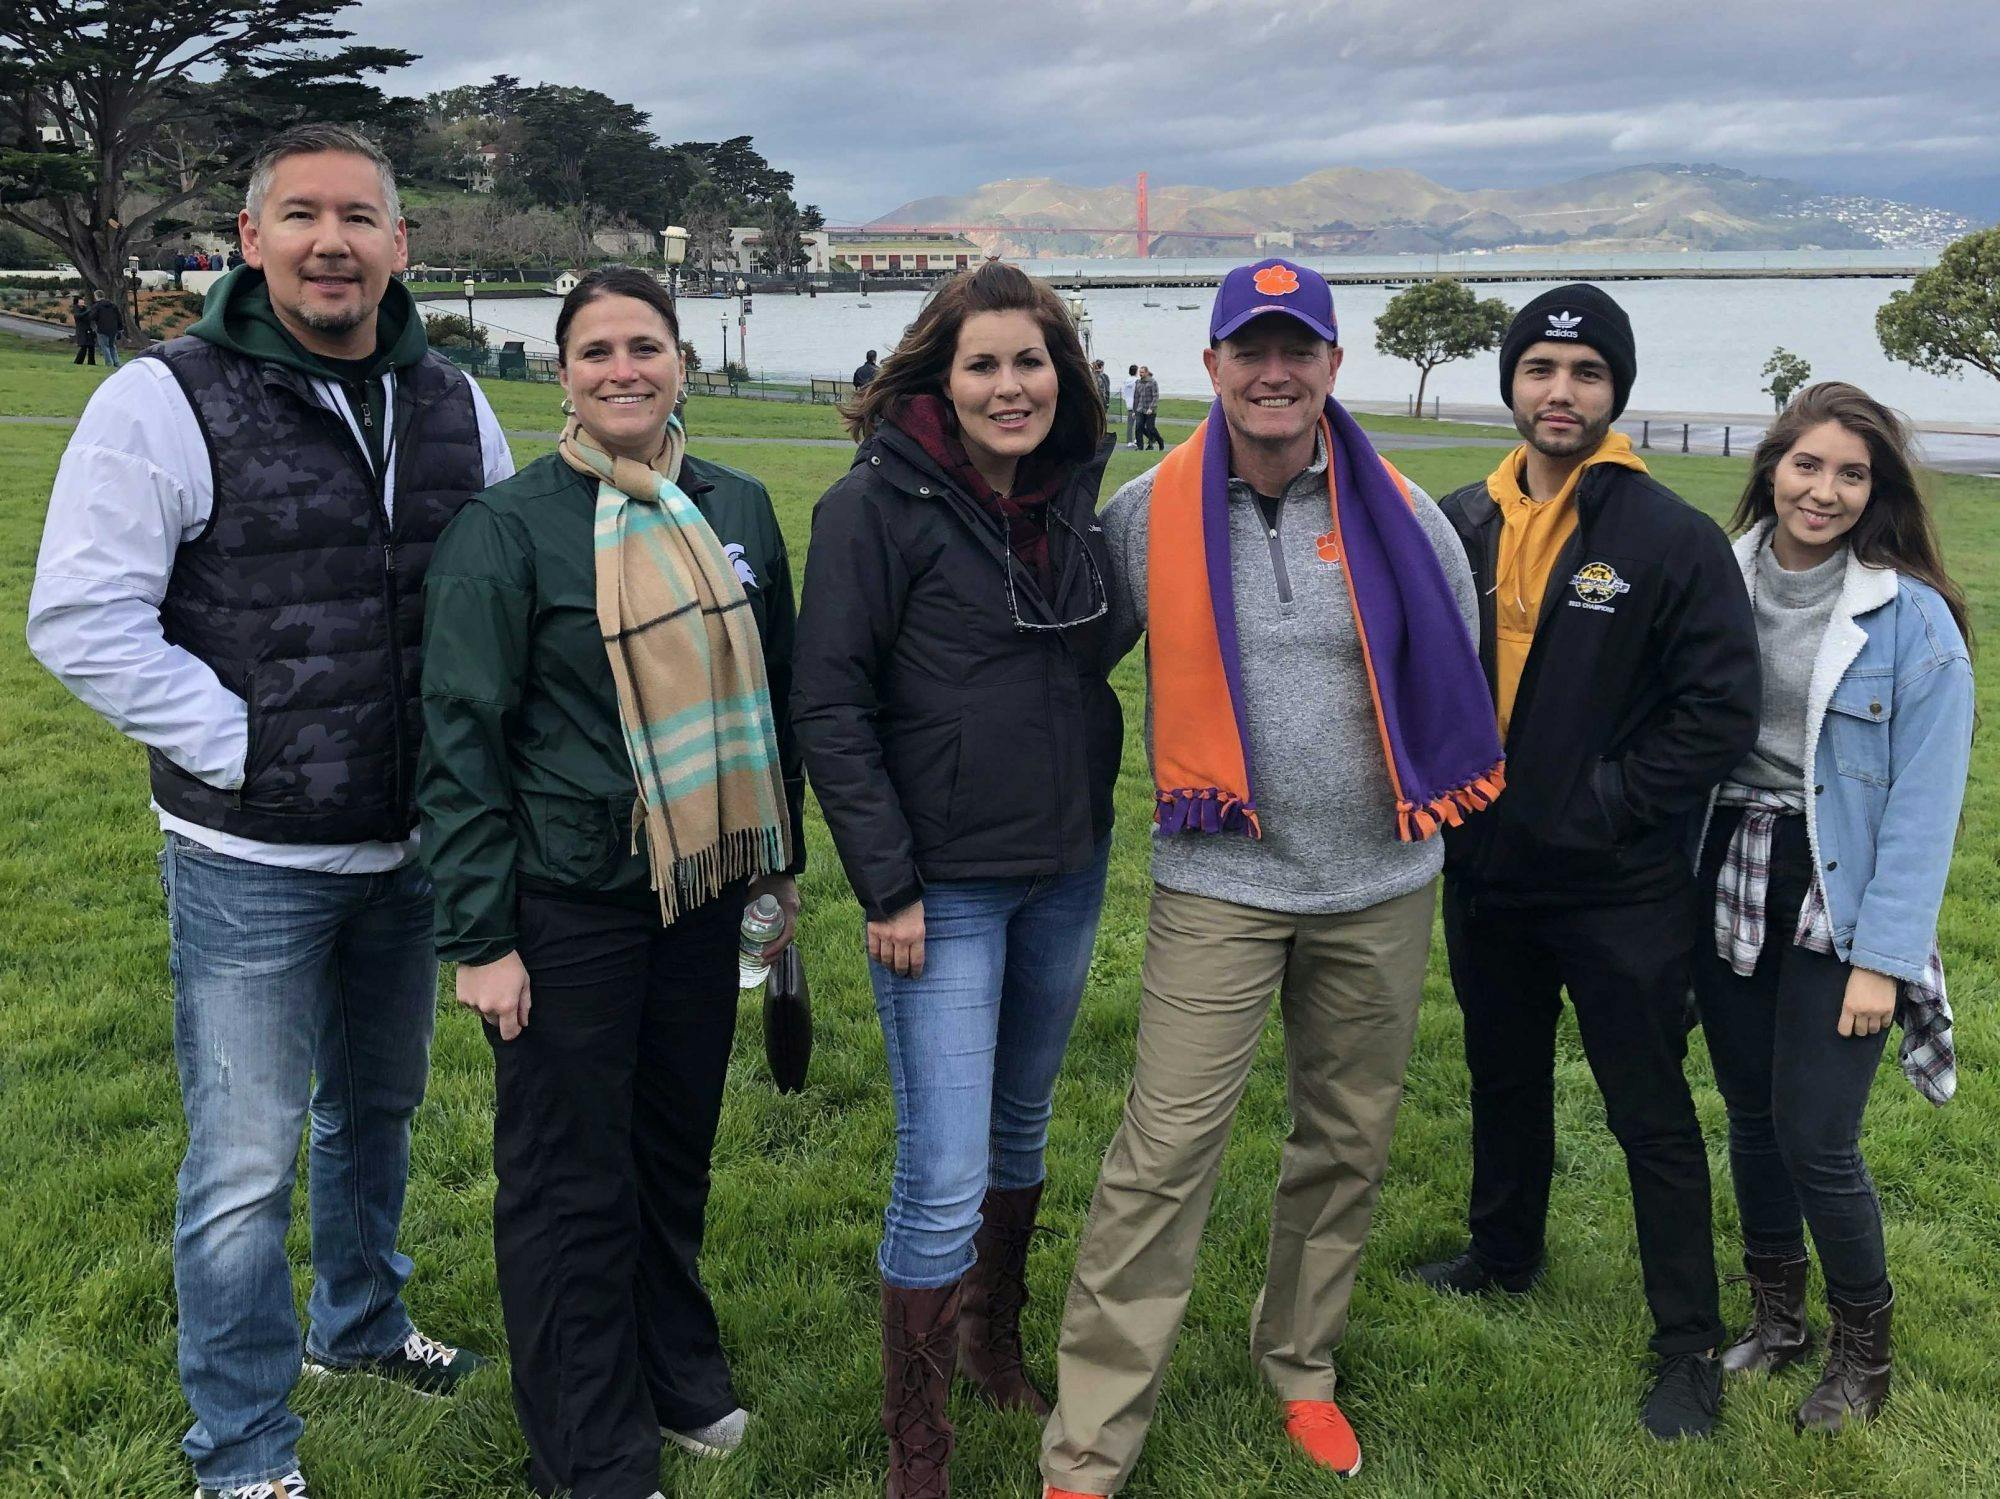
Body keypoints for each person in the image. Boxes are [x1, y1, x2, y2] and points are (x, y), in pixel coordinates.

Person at [26, 122, 512, 1499]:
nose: (331, 240)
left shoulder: (451, 398)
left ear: (401, 244)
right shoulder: (162, 398)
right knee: (244, 1159)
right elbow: (80, 616)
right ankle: (240, 1450)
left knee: (380, 1106)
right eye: (300, 213)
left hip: (412, 841)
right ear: (250, 238)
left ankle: (357, 1325)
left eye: (360, 215)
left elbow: (491, 596)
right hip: (249, 854)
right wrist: (246, 743)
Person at [1040, 259, 1497, 1498]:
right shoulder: (1144, 513)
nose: (1274, 371)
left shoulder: (1403, 513)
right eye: (1251, 349)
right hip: (1219, 884)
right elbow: (1070, 673)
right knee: (1164, 1150)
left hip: (1380, 882)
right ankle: (1087, 1442)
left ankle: (1299, 1363)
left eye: (1299, 349)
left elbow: (1457, 684)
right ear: (1211, 368)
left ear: (1333, 369)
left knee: (1344, 1139)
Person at [420, 265, 805, 1499]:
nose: (622, 368)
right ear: (563, 371)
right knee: (566, 1176)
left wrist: (774, 873)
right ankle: (585, 1445)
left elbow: (774, 706)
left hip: (701, 890)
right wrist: (482, 937)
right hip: (565, 899)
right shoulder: (510, 527)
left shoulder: (734, 501)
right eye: (596, 350)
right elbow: (461, 740)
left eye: (644, 344)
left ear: (681, 358)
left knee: (670, 1145)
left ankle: (674, 1367)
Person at [793, 259, 1118, 1499]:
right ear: (938, 373)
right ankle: (914, 1446)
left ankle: (989, 1335)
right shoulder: (872, 507)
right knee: (939, 1165)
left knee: (1021, 1125)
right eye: (981, 363)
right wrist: (885, 885)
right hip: (940, 889)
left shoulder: (1070, 496)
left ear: (1060, 373)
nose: (1008, 385)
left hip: (1063, 868)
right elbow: (828, 702)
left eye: (1028, 361)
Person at [1415, 285, 1759, 1440]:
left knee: (1648, 1112)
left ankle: (1686, 1346)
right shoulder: (1457, 519)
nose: (1558, 393)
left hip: (1617, 884)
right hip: (1487, 874)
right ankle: (1502, 1253)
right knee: (1501, 1075)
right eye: (1539, 371)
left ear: (1614, 392)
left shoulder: (1667, 537)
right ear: (1511, 384)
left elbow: (1716, 712)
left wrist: (1603, 800)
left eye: (1584, 375)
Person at [1694, 382, 1972, 1434]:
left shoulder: (1912, 621)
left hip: (1836, 887)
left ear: (1875, 488)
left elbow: (1922, 806)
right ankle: (1777, 1318)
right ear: (1770, 465)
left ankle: (1865, 1354)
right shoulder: (1710, 578)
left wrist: (1881, 957)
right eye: (1805, 464)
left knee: (1816, 1133)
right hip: (1724, 870)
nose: (1823, 490)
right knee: (1753, 1120)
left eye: (1849, 473)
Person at [1132, 365, 1163, 450]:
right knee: (1138, 427)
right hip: (1140, 409)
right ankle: (1140, 447)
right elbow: (1136, 397)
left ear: (1146, 373)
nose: (1140, 374)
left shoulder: (1152, 382)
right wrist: (1134, 411)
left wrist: (1151, 408)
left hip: (1150, 410)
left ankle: (1160, 441)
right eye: (1140, 372)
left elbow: (1155, 396)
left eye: (1142, 372)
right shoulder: (1138, 382)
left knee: (1151, 428)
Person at [89, 291, 123, 367]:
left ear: (96, 296)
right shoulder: (113, 305)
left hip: (102, 328)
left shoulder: (97, 306)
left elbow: (92, 317)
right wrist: (120, 328)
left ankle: (109, 363)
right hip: (113, 329)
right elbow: (119, 317)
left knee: (105, 346)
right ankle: (116, 362)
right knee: (112, 345)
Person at [70, 294, 95, 365]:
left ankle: (91, 362)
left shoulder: (85, 308)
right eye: (81, 300)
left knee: (91, 346)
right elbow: (78, 316)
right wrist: (88, 311)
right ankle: (78, 361)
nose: (83, 301)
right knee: (84, 346)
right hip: (81, 330)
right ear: (77, 302)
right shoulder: (76, 308)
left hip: (88, 329)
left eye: (83, 300)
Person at [1121, 362, 1139, 446]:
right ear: (1136, 371)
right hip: (1136, 404)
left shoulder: (1126, 381)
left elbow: (1124, 393)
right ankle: (1137, 439)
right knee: (1138, 423)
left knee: (1130, 424)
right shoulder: (1137, 381)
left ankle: (1129, 441)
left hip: (1128, 404)